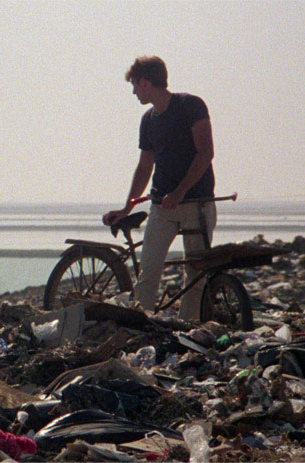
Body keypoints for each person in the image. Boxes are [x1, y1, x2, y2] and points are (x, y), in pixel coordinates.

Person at [103, 56, 216, 321]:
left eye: (134, 85)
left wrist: (179, 193)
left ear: (145, 83)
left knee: (196, 274)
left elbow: (206, 152)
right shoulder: (148, 120)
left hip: (197, 203)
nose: (133, 92)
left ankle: (189, 329)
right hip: (161, 208)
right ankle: (140, 328)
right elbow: (144, 167)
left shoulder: (191, 105)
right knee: (149, 272)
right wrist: (127, 205)